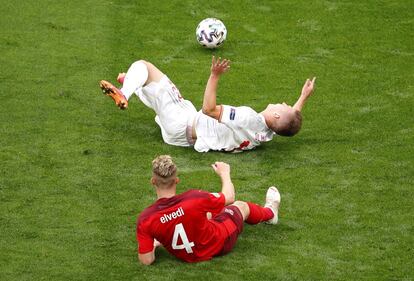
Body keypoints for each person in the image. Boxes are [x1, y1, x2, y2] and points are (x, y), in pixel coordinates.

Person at [99, 57, 316, 152]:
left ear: (277, 116)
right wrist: (302, 98)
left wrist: (214, 75)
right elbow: (291, 122)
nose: (283, 102)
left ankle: (126, 91)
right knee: (158, 89)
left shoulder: (248, 118)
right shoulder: (265, 133)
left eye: (283, 106)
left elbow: (209, 110)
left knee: (144, 65)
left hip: (183, 122)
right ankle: (134, 82)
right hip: (186, 135)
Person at [136, 155, 281, 264]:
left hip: (186, 255)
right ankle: (271, 214)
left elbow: (146, 260)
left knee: (207, 211)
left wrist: (155, 244)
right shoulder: (194, 198)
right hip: (218, 243)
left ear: (152, 181)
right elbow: (229, 197)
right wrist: (225, 174)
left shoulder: (146, 219)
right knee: (240, 206)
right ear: (177, 180)